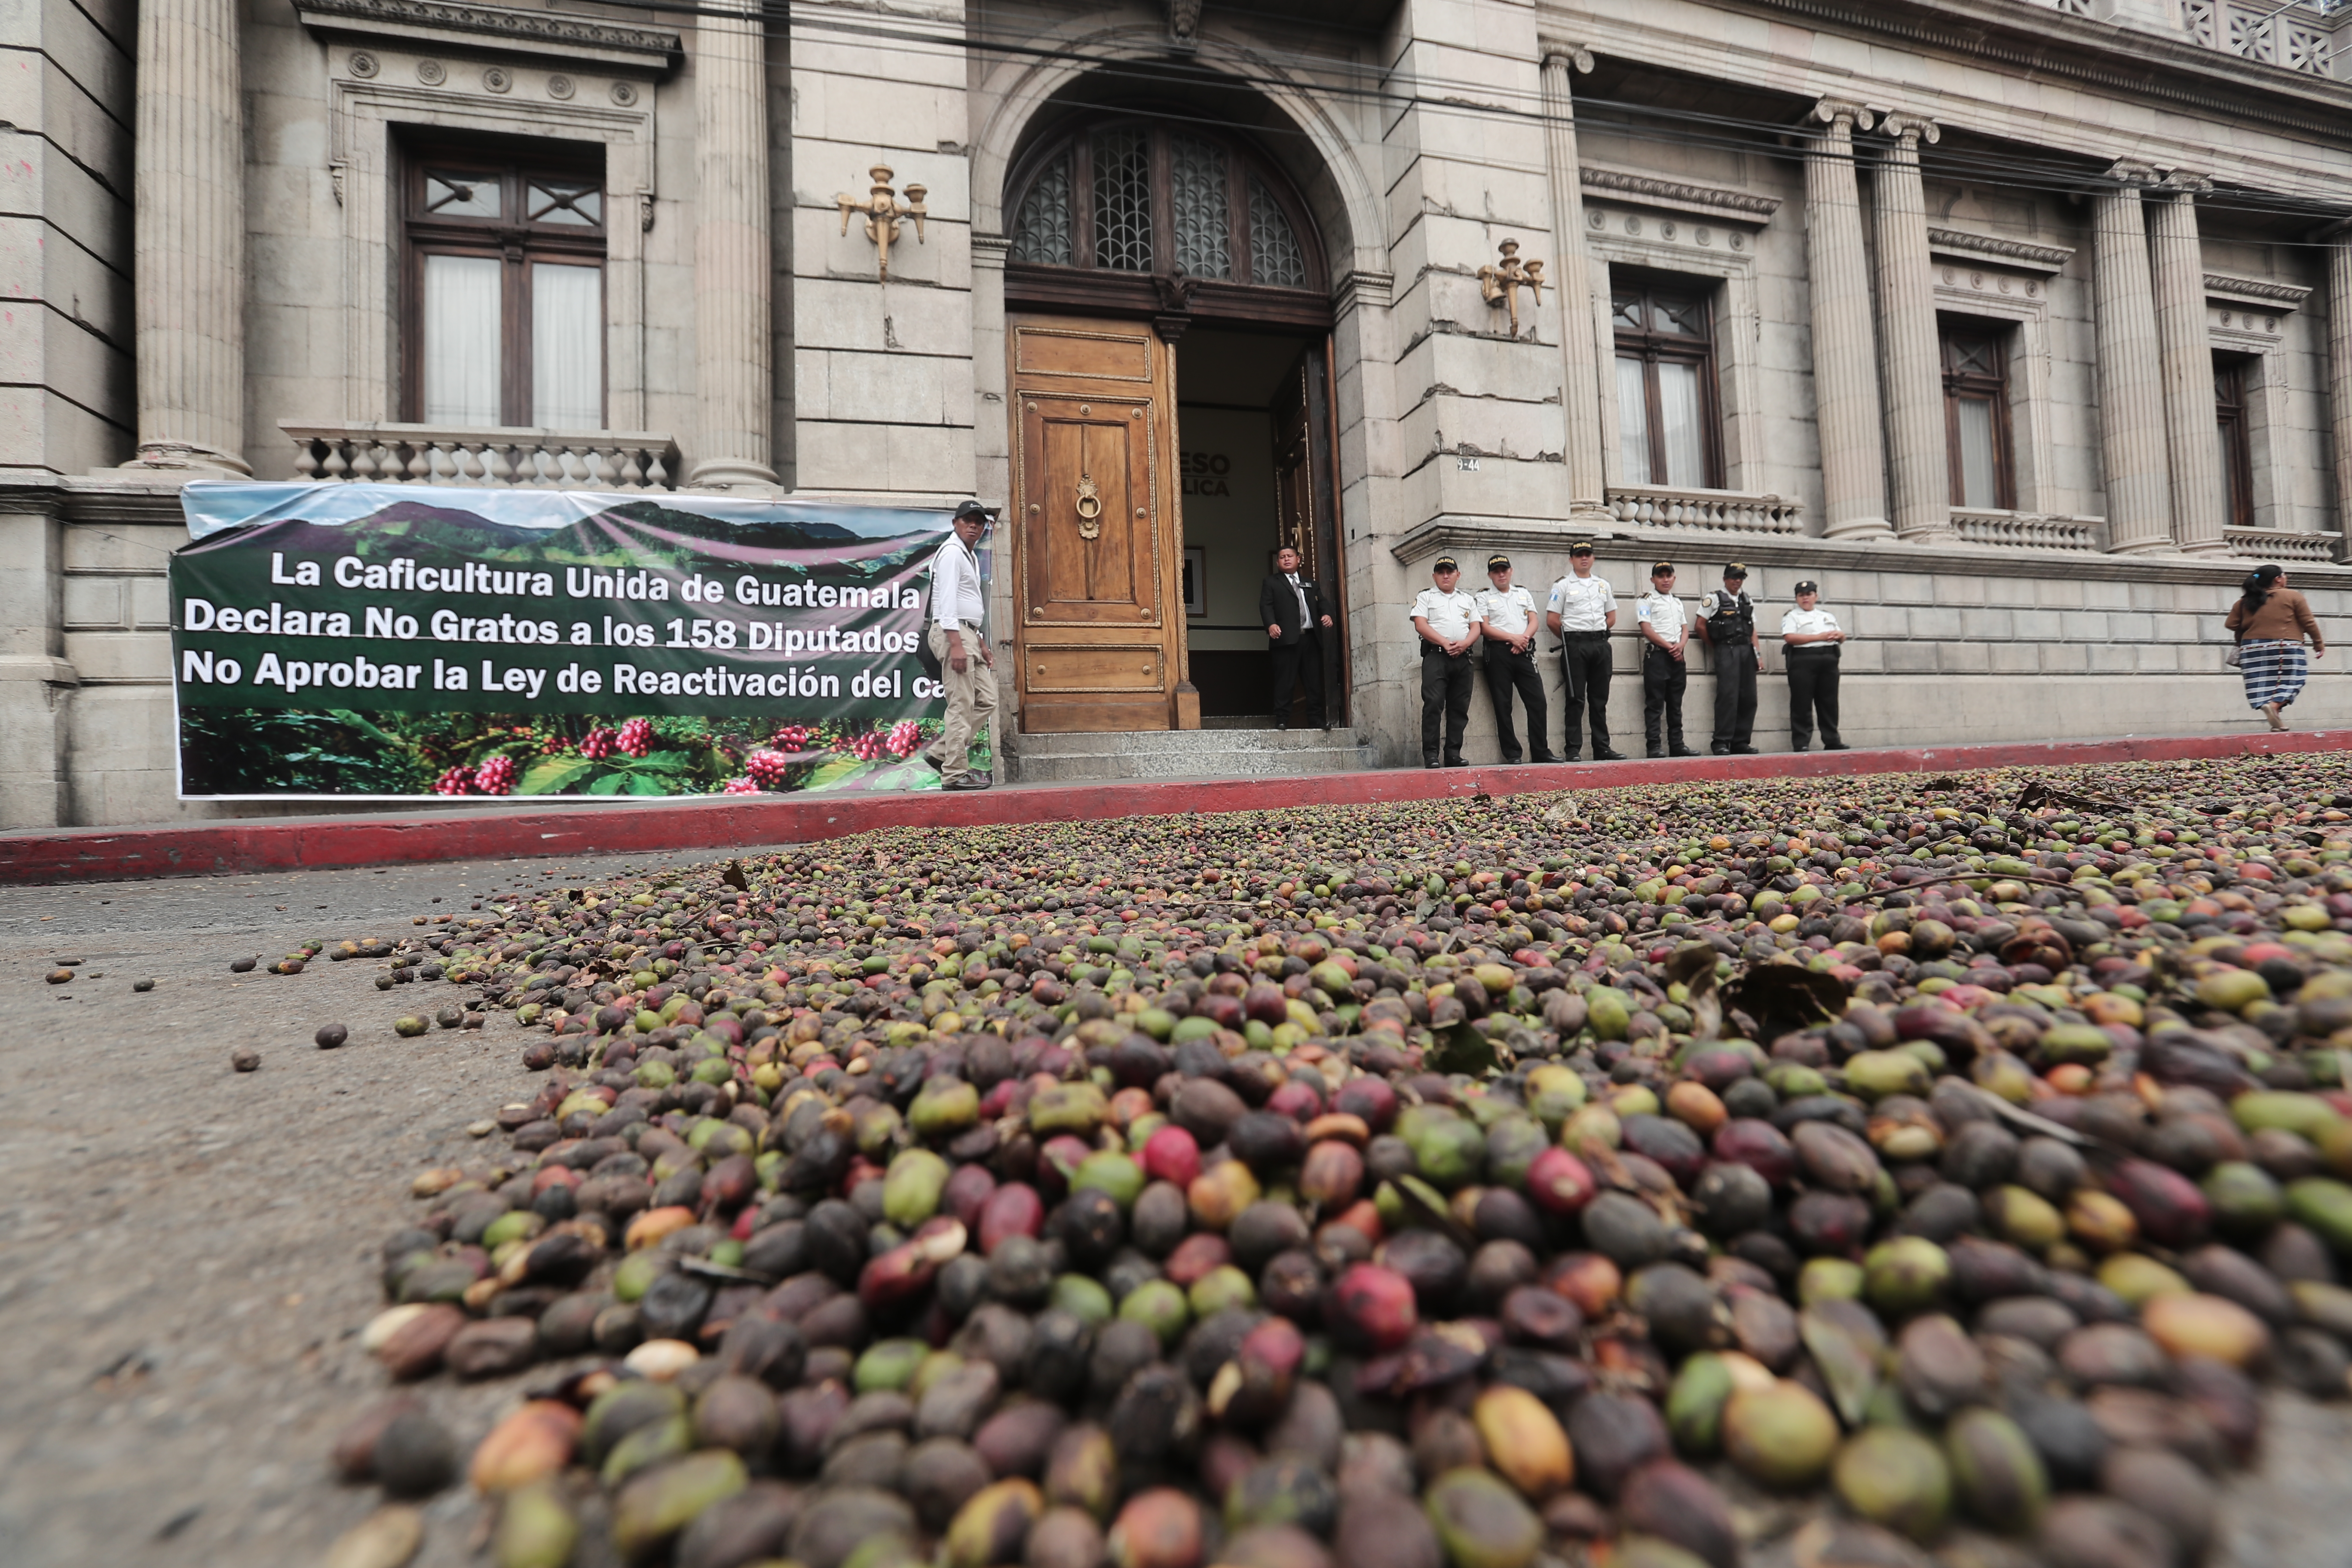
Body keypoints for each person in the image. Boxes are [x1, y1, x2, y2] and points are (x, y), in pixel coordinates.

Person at [923, 500, 999, 790]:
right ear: (956, 523)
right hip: (951, 631)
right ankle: (954, 774)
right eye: (967, 520)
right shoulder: (952, 553)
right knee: (961, 703)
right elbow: (946, 603)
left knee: (987, 699)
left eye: (978, 522)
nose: (974, 526)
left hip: (967, 633)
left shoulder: (969, 556)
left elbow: (966, 604)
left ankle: (942, 753)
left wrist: (978, 641)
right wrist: (956, 644)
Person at [1473, 553, 1559, 764]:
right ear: (1490, 575)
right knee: (1504, 705)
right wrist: (1513, 638)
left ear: (1511, 572)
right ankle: (1512, 753)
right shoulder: (1483, 597)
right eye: (1496, 571)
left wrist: (1524, 639)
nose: (1501, 574)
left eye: (1504, 570)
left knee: (1538, 702)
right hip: (1499, 653)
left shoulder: (1523, 593)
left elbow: (1533, 620)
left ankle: (1541, 751)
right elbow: (1484, 627)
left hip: (1524, 651)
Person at [1545, 542, 1623, 760]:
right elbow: (1552, 620)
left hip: (1600, 644)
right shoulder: (1562, 586)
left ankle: (1602, 747)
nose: (1584, 559)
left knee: (1600, 700)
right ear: (1571, 560)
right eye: (1579, 555)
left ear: (1593, 558)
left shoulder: (1603, 585)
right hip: (1575, 646)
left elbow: (1612, 617)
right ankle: (1573, 749)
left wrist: (1595, 635)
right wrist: (1573, 639)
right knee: (1575, 699)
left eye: (1588, 555)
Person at [2225, 564, 2326, 730]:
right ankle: (2274, 706)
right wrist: (2318, 644)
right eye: (2284, 575)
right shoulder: (2293, 596)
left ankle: (2276, 721)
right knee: (2293, 679)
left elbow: (2231, 624)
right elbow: (2308, 622)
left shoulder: (2244, 601)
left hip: (2251, 648)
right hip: (2285, 644)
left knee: (2264, 683)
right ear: (2278, 579)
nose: (2286, 578)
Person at [1411, 555, 1482, 769]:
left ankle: (1453, 753)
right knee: (1433, 704)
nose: (1445, 576)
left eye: (1449, 572)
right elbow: (1420, 625)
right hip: (1436, 656)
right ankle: (1431, 755)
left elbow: (1476, 627)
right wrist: (1444, 642)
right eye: (1441, 572)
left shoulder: (1467, 599)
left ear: (1457, 575)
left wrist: (1464, 644)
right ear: (1434, 576)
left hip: (1463, 657)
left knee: (1459, 707)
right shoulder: (1426, 597)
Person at [1259, 542, 1335, 729]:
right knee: (1285, 681)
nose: (1286, 559)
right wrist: (1271, 624)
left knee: (1313, 681)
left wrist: (1327, 615)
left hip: (1310, 638)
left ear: (1298, 560)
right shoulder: (1271, 582)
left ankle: (1316, 719)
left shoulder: (1310, 583)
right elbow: (1265, 606)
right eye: (1283, 557)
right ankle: (1282, 719)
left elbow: (1322, 602)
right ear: (1278, 562)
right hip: (1285, 640)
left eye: (1290, 556)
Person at [1696, 563, 1760, 755]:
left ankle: (1741, 741)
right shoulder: (1714, 598)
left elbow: (1752, 629)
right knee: (1728, 696)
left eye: (1740, 578)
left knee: (1749, 698)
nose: (1737, 581)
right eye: (1734, 577)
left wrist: (1757, 654)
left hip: (1746, 651)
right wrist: (1717, 647)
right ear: (1725, 579)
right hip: (1727, 649)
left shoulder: (1746, 599)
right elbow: (1700, 625)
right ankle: (1721, 741)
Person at [1635, 561, 1696, 758]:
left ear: (1674, 578)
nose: (1665, 580)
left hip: (1677, 657)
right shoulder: (1646, 600)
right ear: (1653, 580)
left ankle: (1677, 744)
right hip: (1658, 656)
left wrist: (1681, 646)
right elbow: (1647, 629)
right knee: (1655, 703)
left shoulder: (1677, 602)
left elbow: (1685, 628)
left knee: (1676, 704)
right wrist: (1670, 646)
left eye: (1669, 576)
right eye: (1661, 576)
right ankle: (1654, 746)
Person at [1780, 579, 1848, 752]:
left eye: (1809, 595)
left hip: (1829, 658)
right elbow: (1790, 638)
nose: (1805, 599)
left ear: (1816, 596)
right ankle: (1802, 742)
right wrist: (1820, 637)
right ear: (1797, 598)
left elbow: (1840, 636)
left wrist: (1840, 636)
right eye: (1801, 596)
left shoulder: (1827, 615)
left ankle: (1832, 739)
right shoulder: (1792, 616)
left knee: (1829, 702)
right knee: (1802, 703)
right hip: (1803, 660)